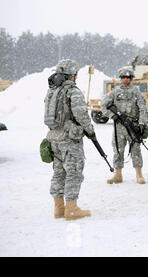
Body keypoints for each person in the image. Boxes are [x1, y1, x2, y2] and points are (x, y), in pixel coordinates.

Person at [45, 59, 95, 220]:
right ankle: (72, 210)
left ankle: (59, 209)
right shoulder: (73, 92)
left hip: (54, 138)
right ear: (72, 75)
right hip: (69, 140)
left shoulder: (52, 91)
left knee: (58, 173)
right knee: (73, 173)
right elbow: (81, 115)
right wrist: (90, 131)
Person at [101, 66, 148, 185]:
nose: (126, 79)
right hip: (119, 127)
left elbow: (142, 108)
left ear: (131, 78)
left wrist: (141, 123)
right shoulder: (115, 92)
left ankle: (139, 175)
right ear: (120, 78)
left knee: (136, 150)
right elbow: (104, 105)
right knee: (118, 150)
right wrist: (113, 116)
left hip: (132, 126)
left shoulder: (136, 91)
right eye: (123, 77)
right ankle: (118, 175)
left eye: (128, 77)